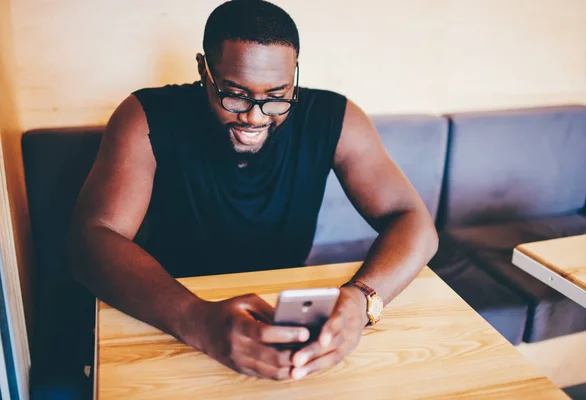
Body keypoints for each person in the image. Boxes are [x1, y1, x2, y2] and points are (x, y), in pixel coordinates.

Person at [68, 0, 438, 381]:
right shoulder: (146, 115)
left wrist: (362, 300)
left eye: (277, 96)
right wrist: (199, 320)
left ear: (294, 75)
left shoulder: (336, 118)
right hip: (170, 314)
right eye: (235, 94)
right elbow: (91, 240)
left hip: (287, 317)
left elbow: (415, 222)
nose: (255, 115)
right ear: (203, 70)